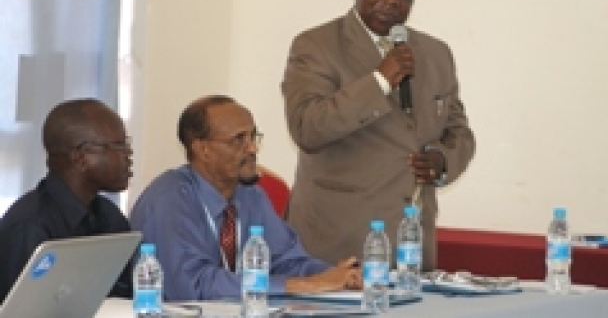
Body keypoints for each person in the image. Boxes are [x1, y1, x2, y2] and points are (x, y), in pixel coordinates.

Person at [281, 0, 476, 270]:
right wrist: (380, 81)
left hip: (412, 253)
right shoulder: (316, 46)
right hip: (337, 248)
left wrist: (442, 161)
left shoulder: (436, 54)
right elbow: (307, 128)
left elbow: (460, 132)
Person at [129, 95, 361, 301]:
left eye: (253, 137)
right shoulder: (169, 200)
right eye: (238, 139)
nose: (252, 149)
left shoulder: (250, 194)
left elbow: (287, 261)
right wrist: (300, 285)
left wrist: (339, 275)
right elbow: (193, 285)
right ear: (202, 149)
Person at [0, 98, 134, 303]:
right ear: (81, 158)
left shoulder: (109, 216)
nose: (128, 154)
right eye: (119, 145)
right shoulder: (30, 226)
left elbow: (126, 298)